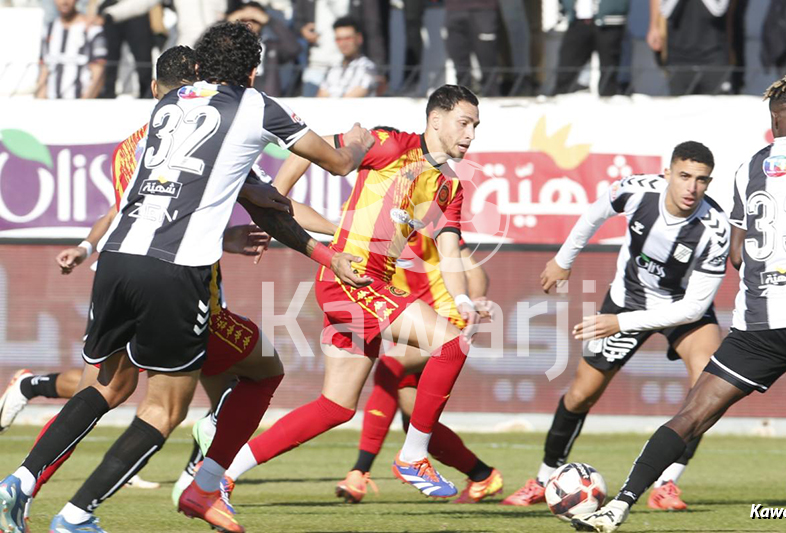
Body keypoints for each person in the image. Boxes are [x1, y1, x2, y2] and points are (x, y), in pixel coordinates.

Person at [0, 22, 374, 533]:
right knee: (167, 406)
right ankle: (78, 514)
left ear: (197, 68)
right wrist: (355, 145)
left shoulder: (168, 107)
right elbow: (331, 166)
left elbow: (188, 189)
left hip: (116, 260)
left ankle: (20, 480)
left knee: (106, 384)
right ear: (252, 70)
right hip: (175, 273)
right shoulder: (255, 105)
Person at [571, 75, 786, 533]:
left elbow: (739, 254)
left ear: (772, 122)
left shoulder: (747, 169)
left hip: (759, 325)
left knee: (690, 416)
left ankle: (618, 505)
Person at [220, 85, 488, 504]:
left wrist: (465, 302)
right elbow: (314, 146)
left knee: (336, 407)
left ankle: (221, 473)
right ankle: (413, 456)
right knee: (451, 345)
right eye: (464, 122)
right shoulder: (390, 143)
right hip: (350, 280)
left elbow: (450, 251)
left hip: (372, 286)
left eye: (476, 126)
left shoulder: (449, 188)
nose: (471, 134)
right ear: (436, 120)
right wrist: (277, 197)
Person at [502, 141, 730, 512]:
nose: (691, 187)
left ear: (709, 182)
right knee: (580, 394)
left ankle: (666, 484)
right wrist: (563, 260)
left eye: (701, 180)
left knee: (708, 383)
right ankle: (544, 479)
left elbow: (694, 308)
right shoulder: (637, 191)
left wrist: (619, 323)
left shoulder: (715, 229)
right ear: (667, 174)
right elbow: (595, 213)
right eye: (684, 176)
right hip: (628, 299)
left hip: (680, 310)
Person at [336, 237, 503, 504]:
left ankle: (359, 472)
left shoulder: (431, 227)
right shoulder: (378, 231)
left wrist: (477, 299)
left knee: (389, 368)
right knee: (414, 420)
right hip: (414, 325)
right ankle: (482, 475)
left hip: (447, 321)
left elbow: (474, 270)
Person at [226, 1, 301, 97]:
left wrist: (270, 21)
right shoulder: (227, 46)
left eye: (255, 20)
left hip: (267, 97)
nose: (249, 24)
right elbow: (206, 48)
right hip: (236, 96)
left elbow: (294, 49)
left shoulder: (271, 45)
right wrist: (227, 21)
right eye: (244, 20)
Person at [554, 0, 629, 96]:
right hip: (577, 21)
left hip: (609, 21)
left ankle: (608, 102)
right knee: (566, 70)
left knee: (608, 74)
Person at [36, 0, 107, 99]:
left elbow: (98, 75)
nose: (64, 2)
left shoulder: (92, 30)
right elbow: (44, 71)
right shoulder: (49, 30)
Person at [444, 0, 500, 96]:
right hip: (454, 9)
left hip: (483, 10)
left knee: (488, 62)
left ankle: (492, 96)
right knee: (459, 62)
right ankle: (462, 98)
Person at [317, 16, 378, 98]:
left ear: (359, 38)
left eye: (348, 38)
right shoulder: (333, 69)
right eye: (339, 39)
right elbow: (320, 99)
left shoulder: (368, 68)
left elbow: (351, 100)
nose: (343, 43)